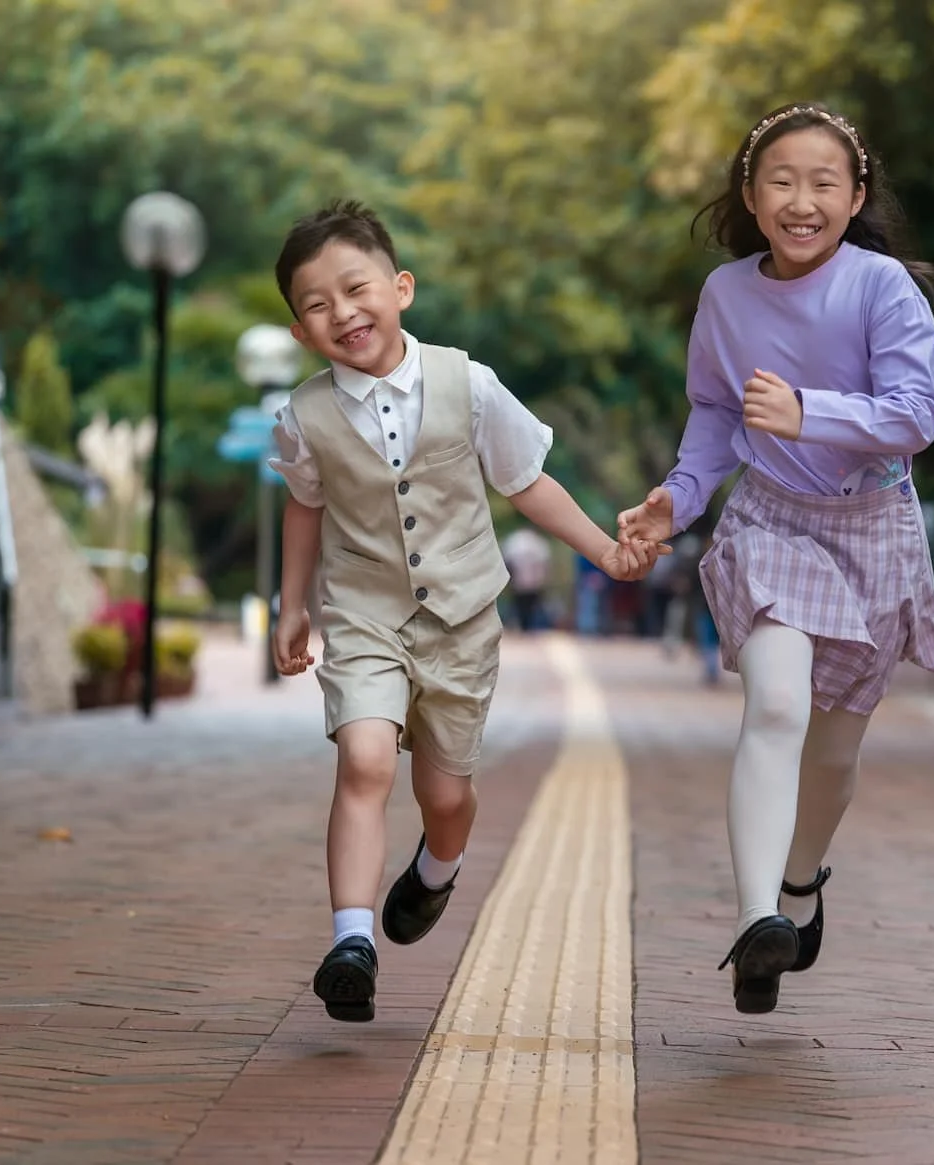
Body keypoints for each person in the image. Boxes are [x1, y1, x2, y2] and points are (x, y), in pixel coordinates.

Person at [267, 200, 663, 1022]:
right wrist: (291, 606)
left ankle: (437, 871)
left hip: (459, 621)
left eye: (356, 287)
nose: (342, 311)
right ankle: (351, 943)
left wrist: (605, 552)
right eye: (316, 304)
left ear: (401, 287)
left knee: (445, 796)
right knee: (365, 760)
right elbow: (304, 507)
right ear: (301, 332)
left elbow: (527, 483)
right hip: (364, 611)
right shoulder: (302, 417)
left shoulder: (468, 383)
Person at [618, 103, 934, 1014]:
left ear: (856, 196)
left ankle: (801, 883)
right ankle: (757, 917)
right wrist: (677, 500)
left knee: (835, 751)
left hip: (874, 526)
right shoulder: (726, 295)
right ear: (750, 195)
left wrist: (811, 412)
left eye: (822, 183)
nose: (801, 201)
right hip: (771, 523)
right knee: (774, 704)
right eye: (781, 180)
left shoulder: (883, 287)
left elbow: (915, 416)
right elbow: (717, 415)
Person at [500, 525, 552, 631]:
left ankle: (522, 626)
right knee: (530, 606)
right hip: (533, 581)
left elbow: (508, 561)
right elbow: (544, 564)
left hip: (519, 580)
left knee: (520, 605)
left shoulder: (515, 541)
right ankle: (528, 627)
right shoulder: (539, 543)